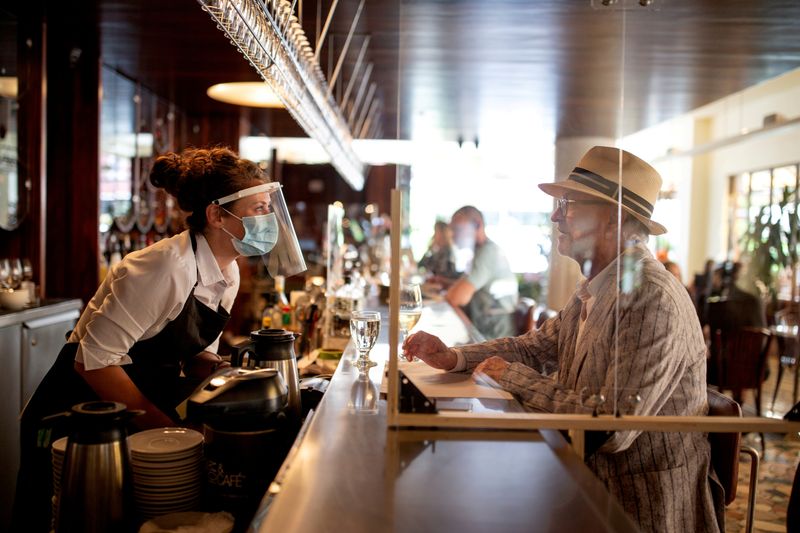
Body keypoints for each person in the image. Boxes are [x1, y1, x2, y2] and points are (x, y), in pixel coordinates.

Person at [404, 146, 721, 533]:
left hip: (634, 507)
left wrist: (512, 376)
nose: (556, 215)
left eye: (568, 203)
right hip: (580, 479)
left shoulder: (652, 298)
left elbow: (612, 428)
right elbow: (536, 347)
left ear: (613, 219)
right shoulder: (600, 283)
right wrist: (453, 356)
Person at [13, 146, 306, 532]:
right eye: (258, 209)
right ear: (217, 215)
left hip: (135, 409)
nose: (269, 220)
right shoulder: (164, 267)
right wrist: (168, 430)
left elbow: (190, 353)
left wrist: (224, 373)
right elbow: (94, 361)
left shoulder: (228, 272)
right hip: (80, 418)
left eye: (270, 208)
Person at [442, 205, 518, 339]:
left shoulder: (487, 253)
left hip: (493, 338)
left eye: (457, 229)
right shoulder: (481, 251)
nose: (452, 235)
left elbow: (455, 298)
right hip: (486, 329)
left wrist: (451, 291)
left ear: (477, 225)